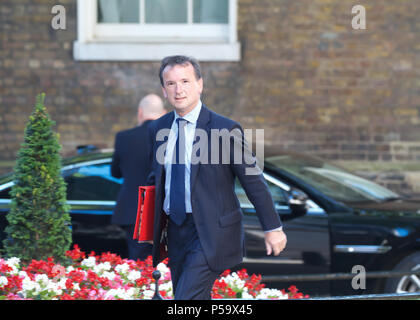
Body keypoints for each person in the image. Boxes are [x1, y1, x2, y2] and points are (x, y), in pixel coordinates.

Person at [147, 55, 287, 300]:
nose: (179, 90)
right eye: (171, 84)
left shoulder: (225, 129)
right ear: (164, 90)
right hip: (175, 231)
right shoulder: (158, 128)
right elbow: (156, 180)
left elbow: (253, 179)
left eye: (185, 81)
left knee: (185, 300)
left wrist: (273, 227)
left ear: (200, 84)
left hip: (210, 233)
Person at [111, 93, 166, 261]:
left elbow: (115, 173)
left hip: (133, 210)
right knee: (166, 264)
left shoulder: (124, 137)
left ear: (140, 112)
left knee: (138, 262)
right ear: (163, 113)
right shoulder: (171, 137)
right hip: (164, 210)